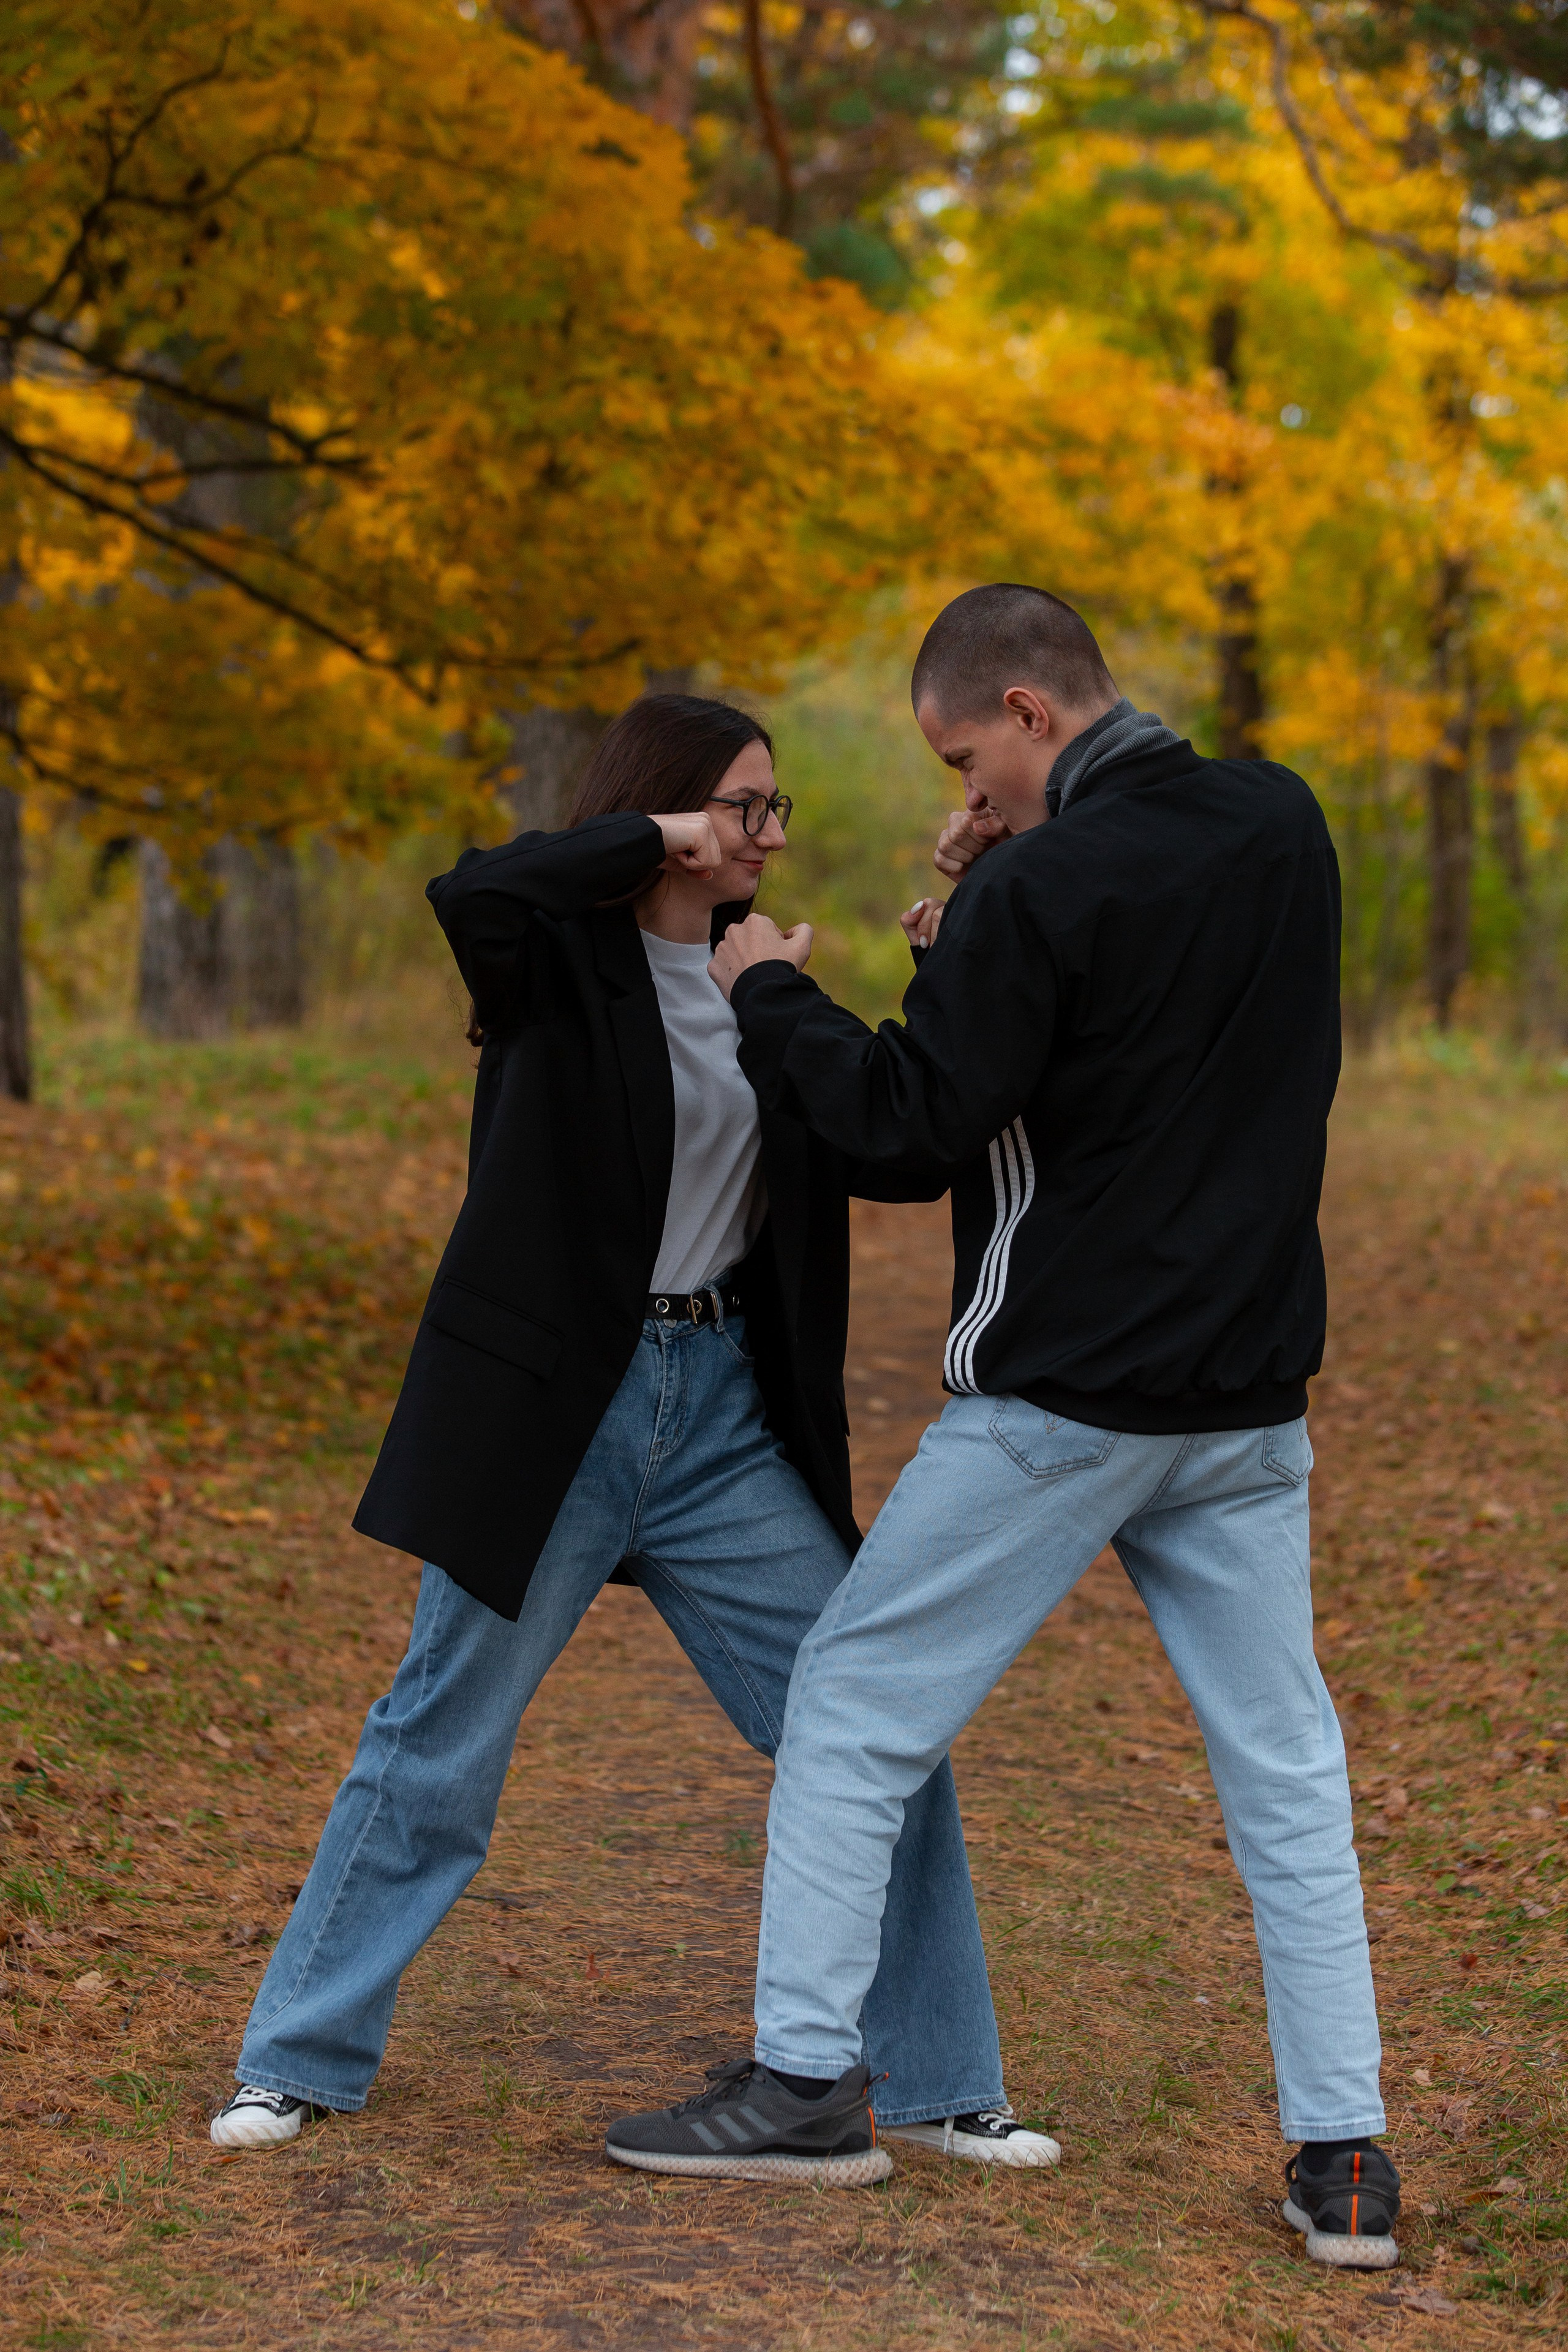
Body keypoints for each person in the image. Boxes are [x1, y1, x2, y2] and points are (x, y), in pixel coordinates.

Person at [605, 592, 1403, 2271]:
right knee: (1286, 1770)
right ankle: (1344, 2160)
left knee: (852, 1702)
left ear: (1029, 715)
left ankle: (807, 2086)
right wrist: (968, 922)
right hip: (1249, 1401)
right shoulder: (1280, 822)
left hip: (1063, 1400)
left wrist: (769, 989)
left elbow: (909, 1130)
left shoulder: (1042, 887)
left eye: (967, 758)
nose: (962, 790)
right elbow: (1125, 1048)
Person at [209, 692, 1052, 2179]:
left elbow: (903, 1142)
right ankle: (297, 2060)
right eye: (743, 806)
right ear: (668, 811)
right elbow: (473, 885)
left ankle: (938, 2082)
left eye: (775, 810)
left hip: (720, 1417)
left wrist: (946, 934)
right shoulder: (556, 966)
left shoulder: (764, 981)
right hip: (560, 1412)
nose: (767, 834)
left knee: (874, 1734)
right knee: (435, 1748)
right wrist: (654, 839)